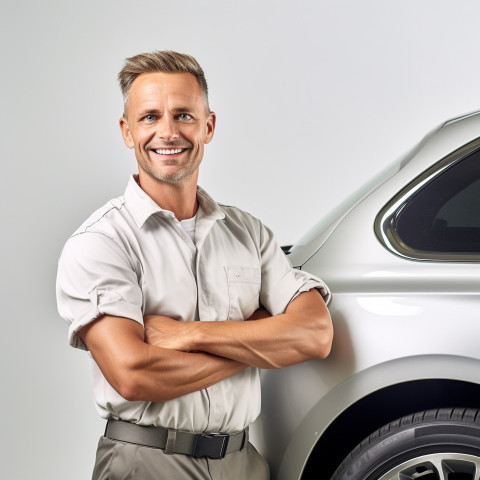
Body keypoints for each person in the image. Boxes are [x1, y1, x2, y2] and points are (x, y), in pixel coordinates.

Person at [56, 50, 333, 480]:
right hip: (147, 462)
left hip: (245, 463)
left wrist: (188, 335)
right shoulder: (101, 243)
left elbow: (314, 334)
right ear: (127, 132)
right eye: (149, 117)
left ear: (209, 126)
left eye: (183, 115)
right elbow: (132, 373)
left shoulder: (248, 233)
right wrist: (256, 340)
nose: (167, 132)